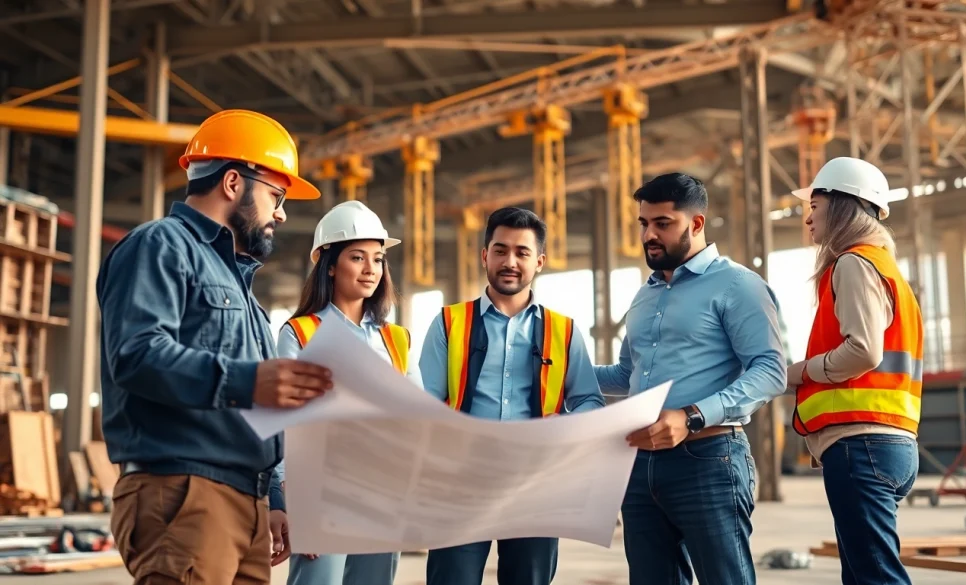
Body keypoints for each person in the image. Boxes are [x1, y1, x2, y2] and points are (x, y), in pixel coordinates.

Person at [97, 109, 333, 585]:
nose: (281, 213)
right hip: (185, 491)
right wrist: (250, 381)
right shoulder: (160, 245)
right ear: (232, 183)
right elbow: (136, 353)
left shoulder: (240, 285)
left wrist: (276, 498)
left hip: (247, 500)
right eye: (275, 195)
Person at [594, 172, 788, 585]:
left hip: (709, 459)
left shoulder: (738, 285)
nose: (650, 234)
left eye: (663, 223)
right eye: (644, 223)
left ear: (696, 224)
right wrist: (559, 373)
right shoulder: (645, 295)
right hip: (640, 465)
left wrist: (692, 416)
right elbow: (627, 374)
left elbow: (770, 371)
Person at [417, 206, 606, 585]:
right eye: (500, 250)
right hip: (459, 484)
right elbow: (424, 405)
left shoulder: (564, 331)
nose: (510, 261)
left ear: (539, 261)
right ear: (485, 255)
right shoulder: (448, 323)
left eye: (522, 252)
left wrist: (565, 424)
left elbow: (589, 402)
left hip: (536, 485)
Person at [787, 157, 923, 585]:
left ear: (843, 206)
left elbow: (863, 352)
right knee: (864, 574)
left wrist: (798, 372)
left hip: (862, 444)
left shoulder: (853, 263)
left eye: (816, 204)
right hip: (889, 443)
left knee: (875, 578)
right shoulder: (887, 270)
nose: (809, 216)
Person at [275, 200, 418, 585]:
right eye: (358, 257)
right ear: (331, 264)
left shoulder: (396, 339)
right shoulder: (300, 334)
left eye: (378, 258)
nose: (371, 268)